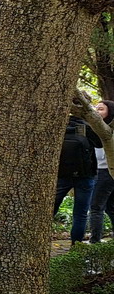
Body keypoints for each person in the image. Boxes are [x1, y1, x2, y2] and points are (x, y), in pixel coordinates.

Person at [56, 113, 100, 245]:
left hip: (61, 175)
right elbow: (99, 144)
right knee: (80, 214)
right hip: (85, 176)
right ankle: (76, 246)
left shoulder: (57, 123)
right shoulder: (87, 127)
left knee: (50, 208)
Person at [89, 100, 114, 242]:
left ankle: (95, 242)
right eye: (95, 108)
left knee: (96, 208)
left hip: (105, 172)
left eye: (101, 109)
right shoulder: (95, 129)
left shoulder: (107, 131)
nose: (97, 112)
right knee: (111, 207)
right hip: (103, 171)